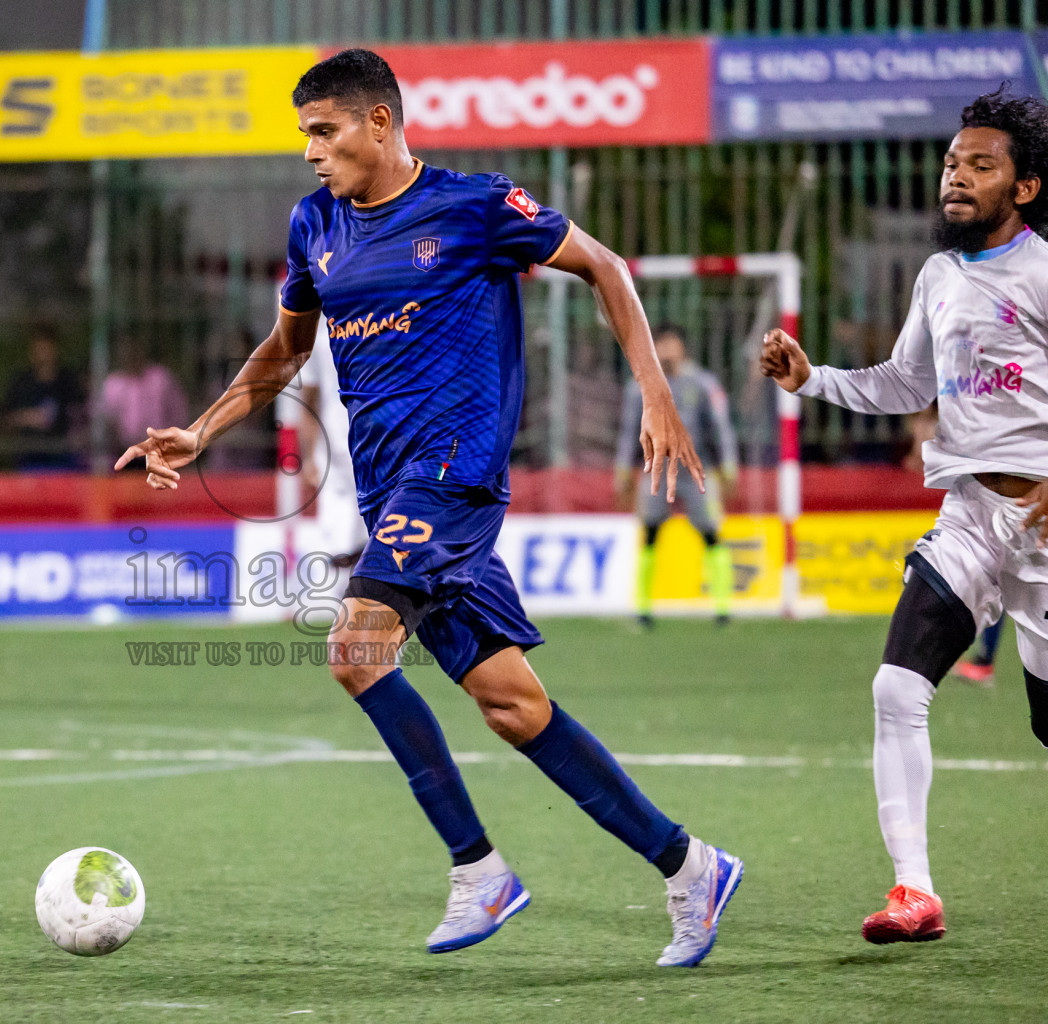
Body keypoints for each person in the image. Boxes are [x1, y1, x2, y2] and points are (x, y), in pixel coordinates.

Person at [117, 49, 741, 967]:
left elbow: (605, 266)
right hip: (391, 497)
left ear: (379, 123)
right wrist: (201, 431)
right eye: (304, 135)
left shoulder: (475, 207)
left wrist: (655, 393)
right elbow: (283, 353)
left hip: (453, 480)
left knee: (354, 646)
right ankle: (690, 866)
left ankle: (478, 870)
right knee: (512, 707)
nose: (309, 152)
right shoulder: (314, 225)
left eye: (323, 132)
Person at [761, 86, 1047, 945]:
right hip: (968, 515)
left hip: (1043, 522)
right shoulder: (937, 275)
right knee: (897, 686)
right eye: (952, 162)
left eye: (979, 165)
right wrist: (813, 380)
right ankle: (914, 892)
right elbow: (908, 385)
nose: (955, 177)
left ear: (1024, 187)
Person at [616, 324, 739, 627]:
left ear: (682, 347)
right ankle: (643, 608)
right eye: (661, 345)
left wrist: (729, 465)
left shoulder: (702, 383)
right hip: (656, 468)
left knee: (711, 532)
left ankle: (722, 607)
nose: (666, 351)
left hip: (697, 469)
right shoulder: (641, 387)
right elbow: (629, 430)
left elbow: (720, 427)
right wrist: (622, 469)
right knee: (650, 532)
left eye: (671, 344)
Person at [297, 321, 367, 570]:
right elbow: (309, 402)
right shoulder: (319, 335)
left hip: (379, 456)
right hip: (335, 461)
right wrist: (307, 459)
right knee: (337, 556)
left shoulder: (389, 320)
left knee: (378, 550)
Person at [2, 329, 83, 469]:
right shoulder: (21, 382)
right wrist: (25, 417)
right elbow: (4, 419)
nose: (42, 354)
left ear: (55, 349)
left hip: (64, 458)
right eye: (38, 348)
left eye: (46, 348)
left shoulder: (68, 381)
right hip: (29, 458)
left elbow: (82, 415)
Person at [98, 336, 187, 450]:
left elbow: (178, 411)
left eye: (134, 351)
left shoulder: (160, 378)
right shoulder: (112, 384)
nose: (131, 356)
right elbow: (105, 418)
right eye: (126, 352)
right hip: (123, 450)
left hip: (160, 447)